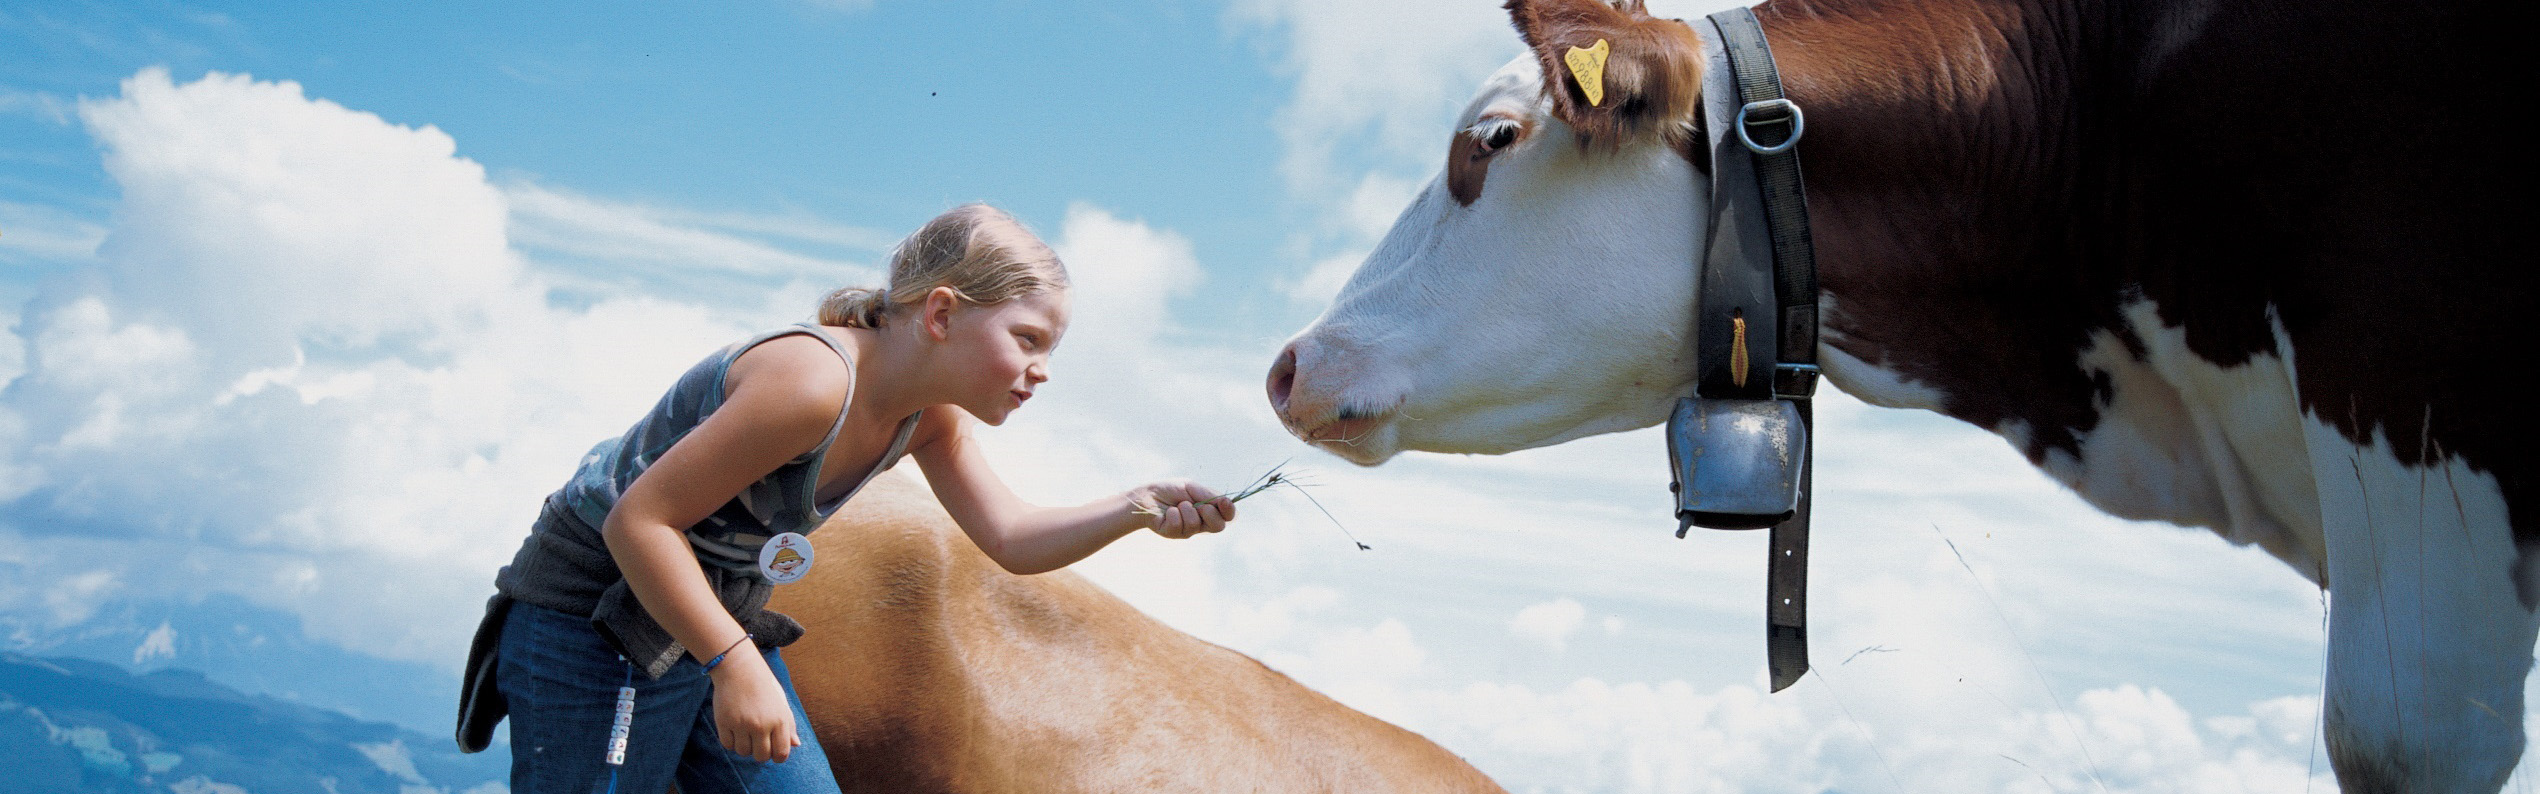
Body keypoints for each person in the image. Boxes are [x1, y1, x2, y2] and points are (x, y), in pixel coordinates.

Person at [455, 203, 1237, 794]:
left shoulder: (928, 420)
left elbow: (1012, 538)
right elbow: (640, 521)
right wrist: (734, 664)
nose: (1041, 370)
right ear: (940, 313)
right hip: (597, 614)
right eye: (1027, 339)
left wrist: (1136, 508)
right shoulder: (810, 383)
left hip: (713, 615)